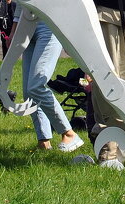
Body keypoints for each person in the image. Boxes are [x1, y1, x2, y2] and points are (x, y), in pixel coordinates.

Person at [15, 16, 84, 152]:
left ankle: (69, 133)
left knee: (36, 86)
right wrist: (15, 29)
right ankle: (43, 141)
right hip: (27, 26)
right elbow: (20, 4)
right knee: (28, 92)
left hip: (49, 26)